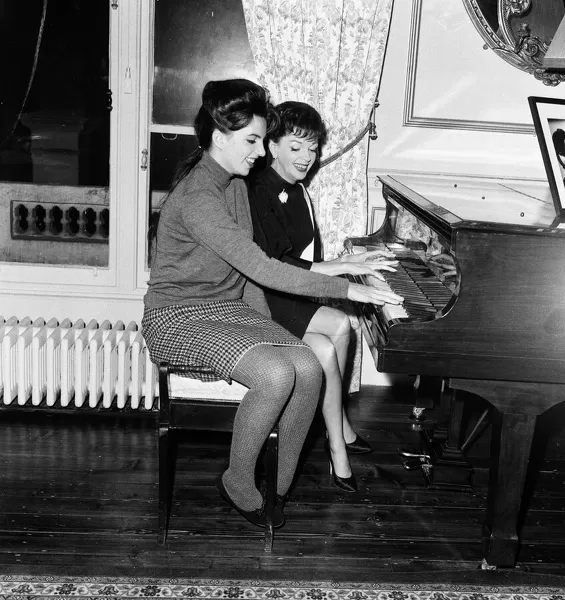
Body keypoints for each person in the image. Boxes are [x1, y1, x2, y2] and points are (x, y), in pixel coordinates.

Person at [142, 79, 403, 530]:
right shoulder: (199, 196)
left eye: (262, 141)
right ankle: (237, 481)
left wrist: (277, 334)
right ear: (219, 137)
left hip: (228, 310)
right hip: (176, 317)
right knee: (277, 372)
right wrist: (352, 290)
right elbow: (261, 267)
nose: (261, 152)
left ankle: (277, 489)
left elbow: (246, 280)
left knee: (308, 365)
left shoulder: (235, 184)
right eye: (252, 141)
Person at [247, 101, 398, 492]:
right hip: (265, 296)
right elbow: (276, 267)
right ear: (272, 145)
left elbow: (307, 260)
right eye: (296, 147)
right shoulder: (258, 191)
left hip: (291, 291)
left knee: (342, 328)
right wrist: (348, 272)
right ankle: (337, 447)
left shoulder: (297, 190)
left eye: (313, 148)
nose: (308, 158)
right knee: (330, 345)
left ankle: (341, 425)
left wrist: (352, 260)